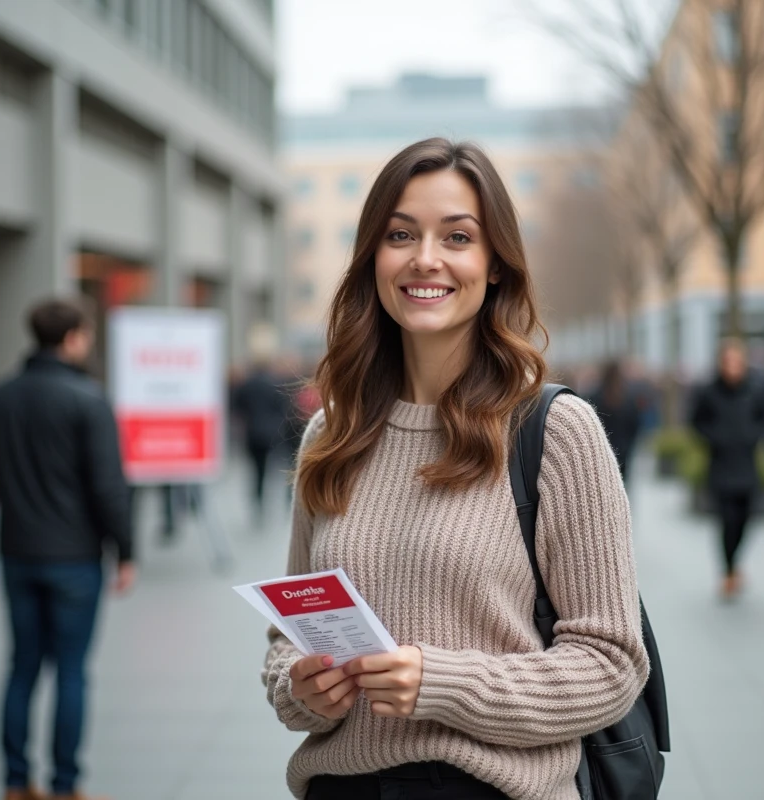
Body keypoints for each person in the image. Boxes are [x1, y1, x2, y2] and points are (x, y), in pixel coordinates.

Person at [262, 138, 648, 800]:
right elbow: (285, 640)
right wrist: (302, 688)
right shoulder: (333, 434)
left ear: (495, 264)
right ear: (373, 259)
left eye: (458, 236)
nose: (425, 258)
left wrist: (439, 684)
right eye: (401, 234)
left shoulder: (555, 432)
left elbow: (611, 667)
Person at [0, 298, 135, 800]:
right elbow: (108, 486)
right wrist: (126, 551)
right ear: (71, 339)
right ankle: (65, 787)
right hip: (74, 558)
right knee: (70, 672)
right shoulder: (87, 399)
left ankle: (15, 783)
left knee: (21, 668)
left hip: (17, 552)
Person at [689, 339, 764, 600]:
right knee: (727, 521)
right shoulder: (708, 392)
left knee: (746, 519)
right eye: (728, 361)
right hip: (721, 467)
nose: (733, 367)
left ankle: (735, 564)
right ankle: (728, 570)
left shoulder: (755, 390)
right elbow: (695, 421)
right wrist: (715, 438)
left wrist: (756, 436)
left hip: (747, 466)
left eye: (738, 361)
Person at [232, 349, 291, 522]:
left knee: (255, 469)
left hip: (251, 433)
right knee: (267, 468)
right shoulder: (274, 383)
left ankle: (258, 499)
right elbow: (282, 408)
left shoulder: (246, 384)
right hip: (270, 434)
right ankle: (265, 499)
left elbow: (238, 408)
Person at [589, 360, 643, 483]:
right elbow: (635, 425)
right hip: (623, 449)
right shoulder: (628, 398)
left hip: (601, 449)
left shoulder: (595, 397)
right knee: (621, 483)